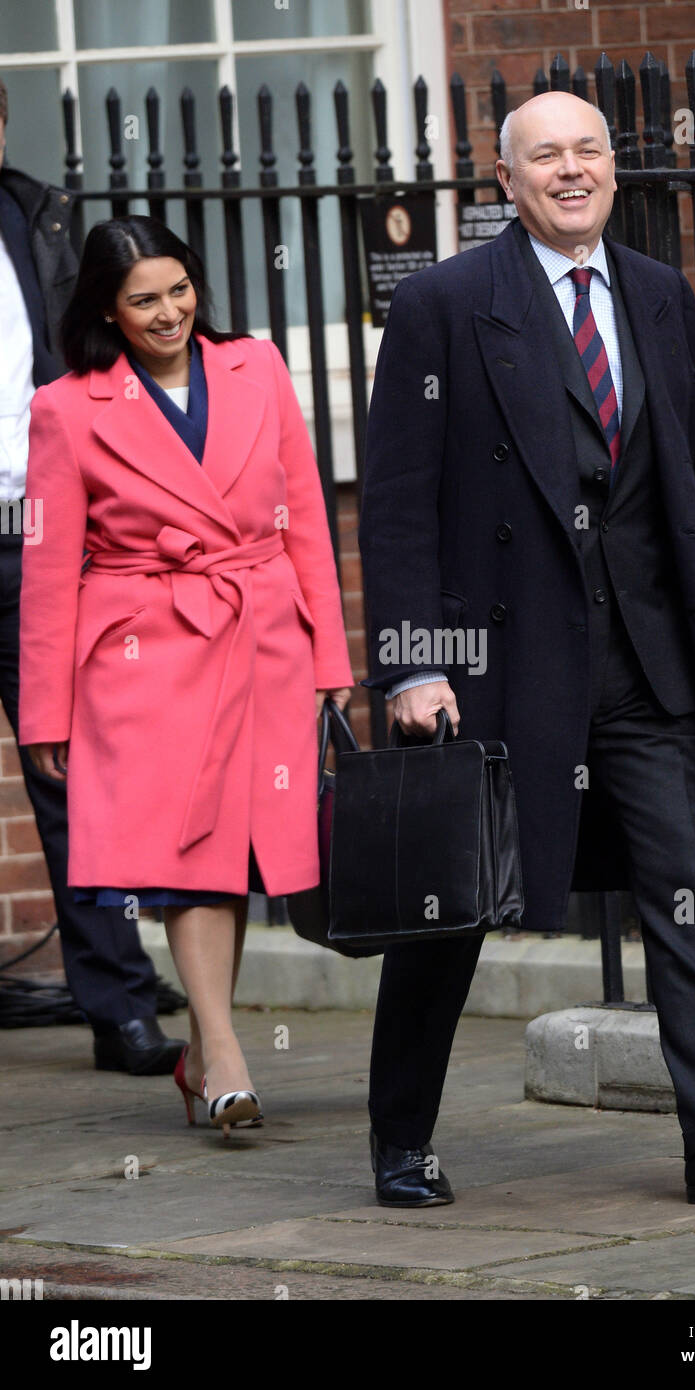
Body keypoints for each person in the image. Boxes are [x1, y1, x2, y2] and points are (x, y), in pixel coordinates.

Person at [358, 92, 695, 1206]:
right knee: (449, 911)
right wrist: (414, 662)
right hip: (499, 668)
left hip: (648, 659)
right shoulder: (442, 304)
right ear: (504, 182)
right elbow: (395, 504)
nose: (570, 172)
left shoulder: (660, 294)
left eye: (588, 152)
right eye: (545, 158)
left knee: (687, 892)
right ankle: (402, 1146)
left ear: (612, 167)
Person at [19, 214, 353, 1135]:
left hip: (261, 634)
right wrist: (45, 709)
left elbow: (308, 520)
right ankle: (228, 1054)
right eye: (142, 300)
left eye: (178, 290)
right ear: (108, 311)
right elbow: (49, 570)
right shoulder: (65, 407)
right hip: (145, 648)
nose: (168, 313)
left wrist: (330, 655)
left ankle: (203, 1052)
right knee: (183, 854)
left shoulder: (259, 368)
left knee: (236, 853)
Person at [0, 76, 184, 1074]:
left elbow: (92, 357)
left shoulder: (41, 217)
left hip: (32, 542)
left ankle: (117, 1007)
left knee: (69, 775)